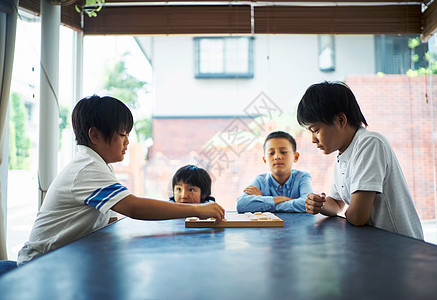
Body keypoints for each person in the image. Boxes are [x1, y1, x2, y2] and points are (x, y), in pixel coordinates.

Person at [17, 95, 225, 265]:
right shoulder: (87, 168)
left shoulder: (98, 165)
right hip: (41, 264)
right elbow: (133, 207)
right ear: (95, 135)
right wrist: (199, 209)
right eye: (122, 134)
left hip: (64, 258)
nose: (127, 142)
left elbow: (108, 217)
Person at [297, 81, 423, 240]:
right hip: (376, 244)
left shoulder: (370, 143)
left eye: (315, 130)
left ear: (341, 120)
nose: (313, 140)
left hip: (400, 246)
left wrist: (353, 210)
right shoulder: (343, 154)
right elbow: (337, 204)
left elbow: (358, 217)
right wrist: (320, 204)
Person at [236, 131, 313, 213]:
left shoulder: (302, 177)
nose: (277, 157)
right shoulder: (260, 180)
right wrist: (284, 199)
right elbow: (241, 205)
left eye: (283, 152)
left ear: (296, 157)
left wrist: (263, 202)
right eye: (271, 153)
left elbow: (309, 204)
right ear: (264, 159)